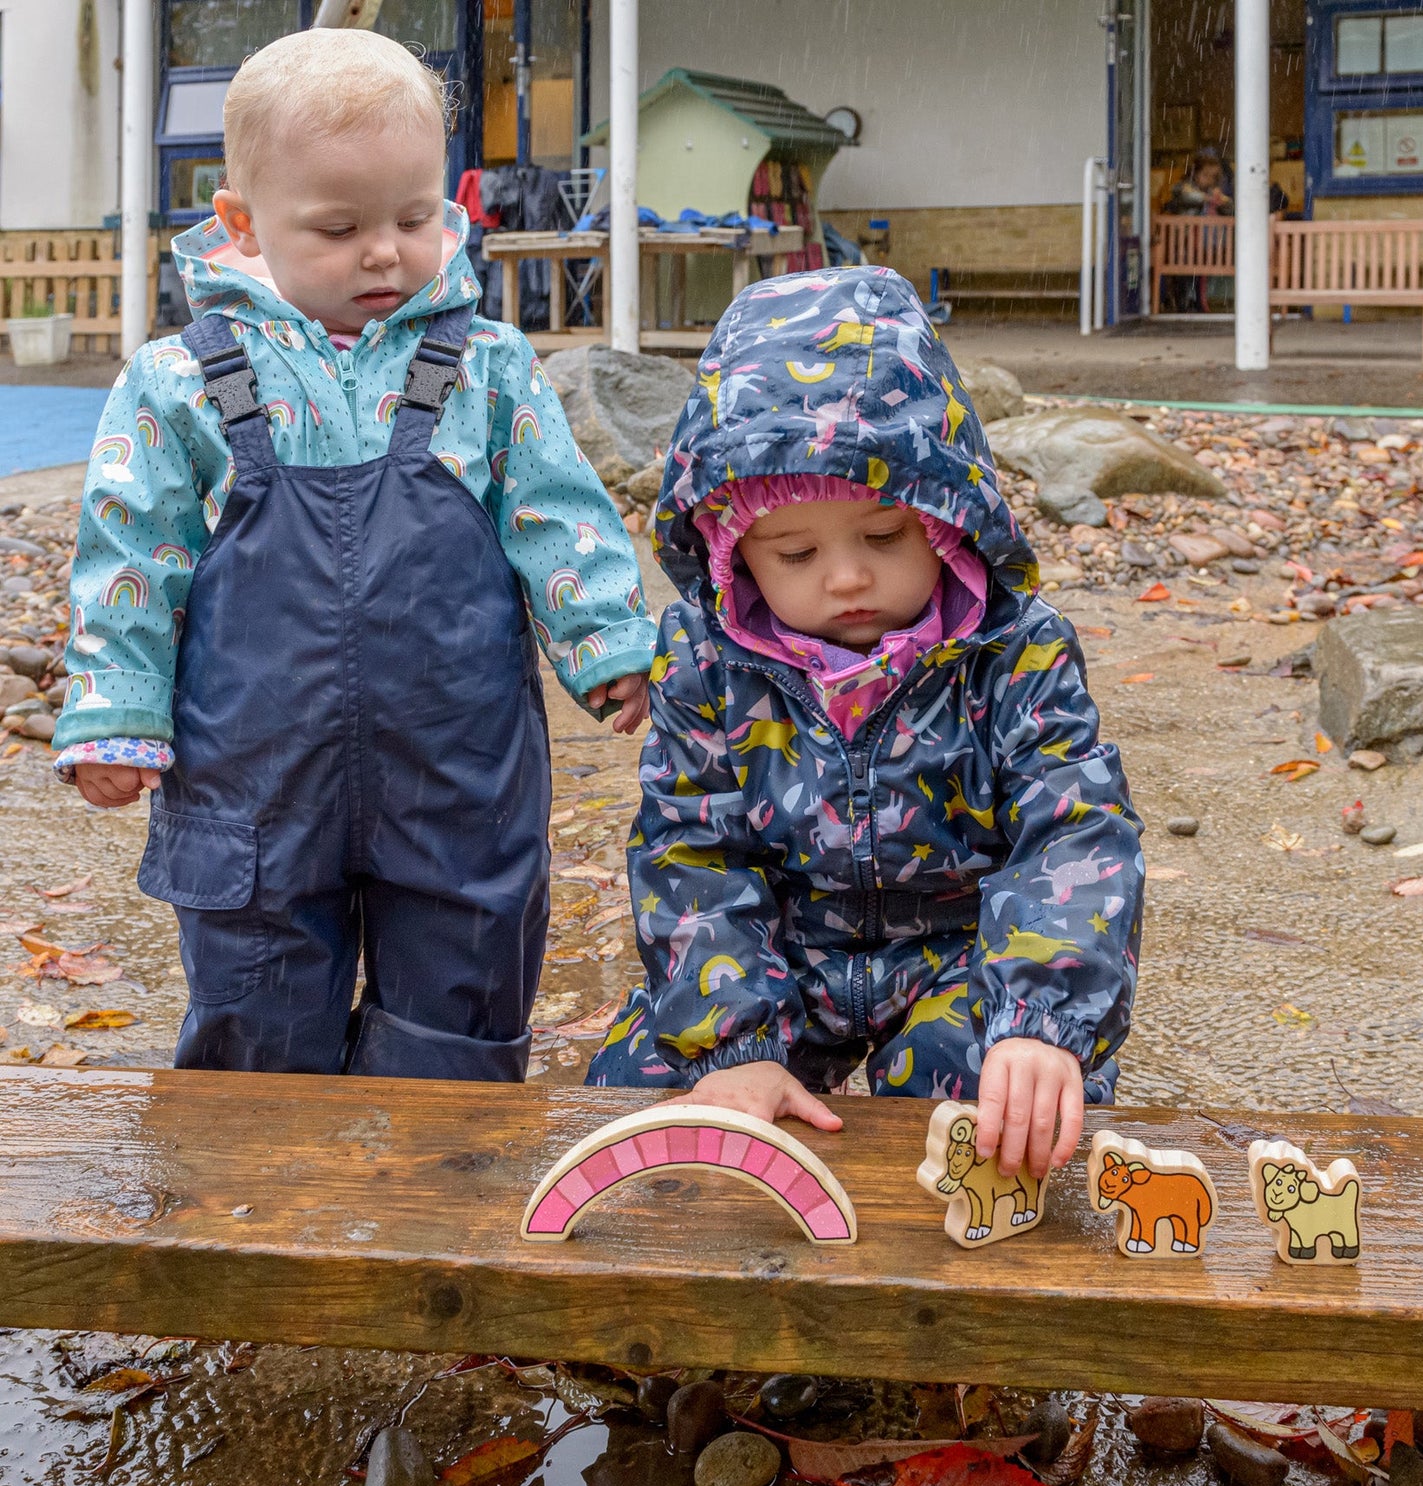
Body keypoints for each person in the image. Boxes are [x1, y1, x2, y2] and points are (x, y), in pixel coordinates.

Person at [57, 29, 655, 1079]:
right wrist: (115, 706)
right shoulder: (180, 380)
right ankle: (254, 1219)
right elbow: (132, 550)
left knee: (458, 1021)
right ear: (241, 223)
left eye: (414, 218)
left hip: (456, 775)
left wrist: (609, 643)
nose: (384, 251)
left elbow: (561, 516)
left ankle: (439, 1208)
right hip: (254, 789)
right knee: (259, 1025)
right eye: (338, 227)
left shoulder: (482, 365)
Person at [587, 266, 1144, 1182]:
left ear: (946, 519)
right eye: (796, 552)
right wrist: (734, 1045)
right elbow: (689, 846)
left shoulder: (1014, 649)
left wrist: (1041, 1022)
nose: (845, 579)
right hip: (785, 949)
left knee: (984, 1121)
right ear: (731, 549)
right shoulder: (703, 656)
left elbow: (1072, 831)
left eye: (884, 539)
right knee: (639, 1097)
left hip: (963, 957)